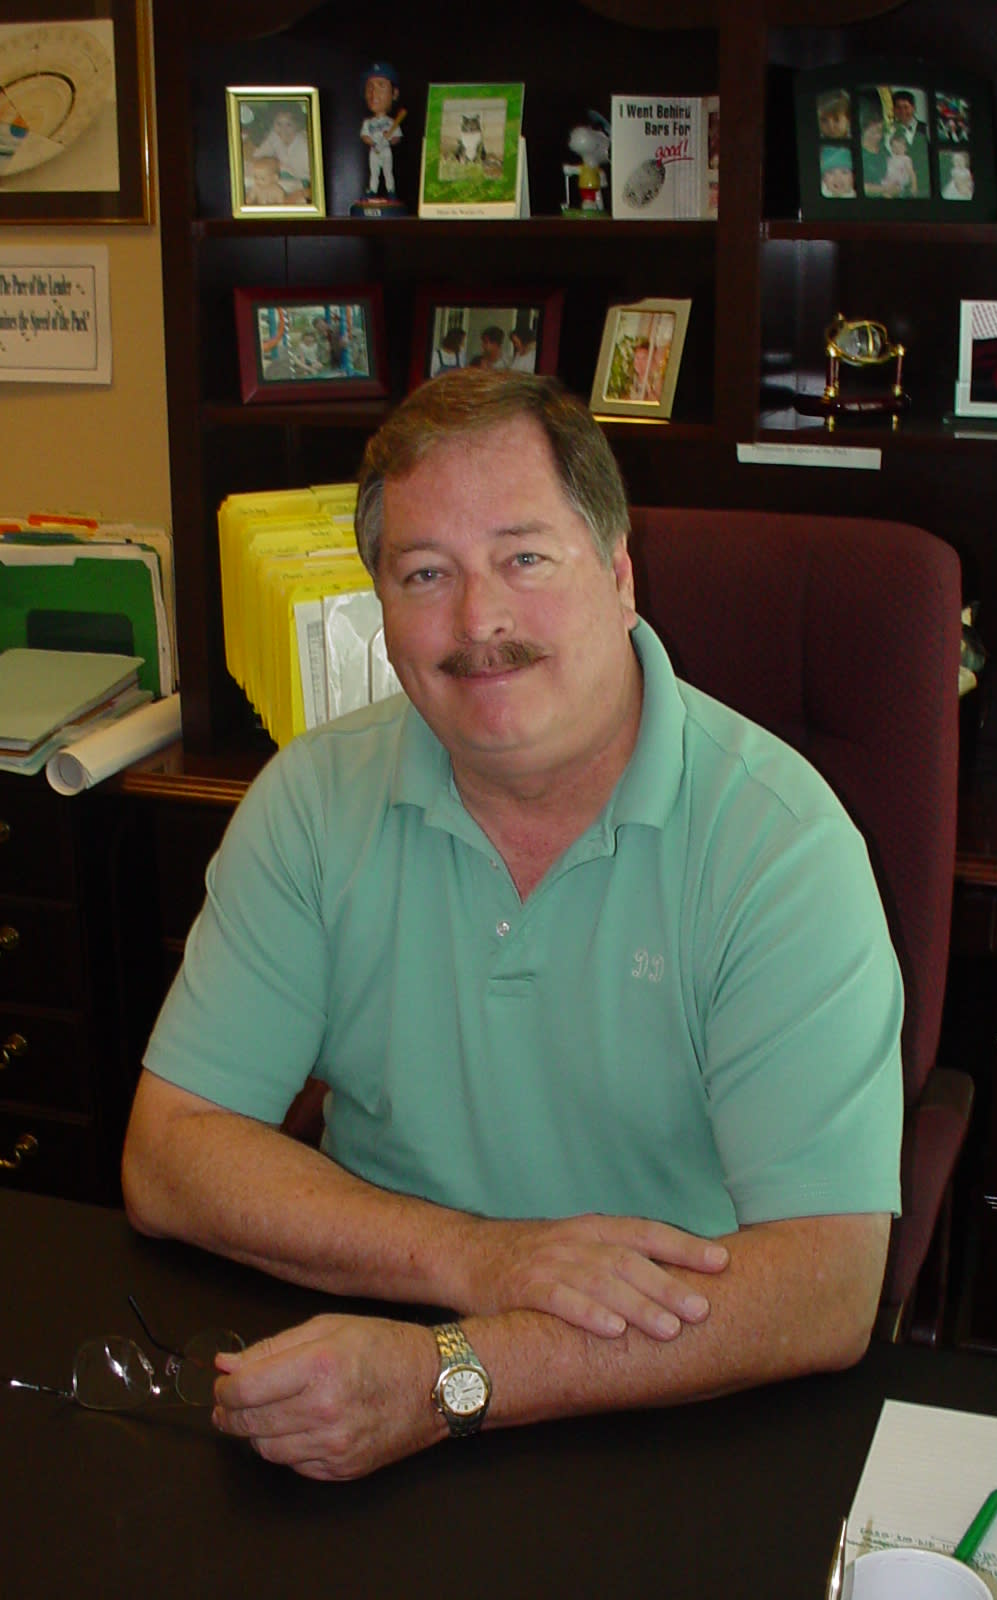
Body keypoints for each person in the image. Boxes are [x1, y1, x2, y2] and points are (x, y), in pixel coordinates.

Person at [122, 370, 903, 1483]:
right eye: (425, 573)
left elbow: (827, 1284)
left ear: (619, 576)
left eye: (524, 558)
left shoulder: (781, 844)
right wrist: (481, 1263)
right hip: (369, 1355)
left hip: (670, 1392)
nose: (477, 622)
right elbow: (168, 1155)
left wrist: (449, 1378)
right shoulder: (312, 801)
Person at [359, 62, 404, 200]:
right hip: (375, 151)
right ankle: (373, 190)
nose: (374, 93)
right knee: (374, 173)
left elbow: (397, 138)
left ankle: (391, 191)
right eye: (370, 87)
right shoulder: (368, 122)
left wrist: (389, 139)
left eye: (381, 86)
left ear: (394, 93)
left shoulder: (391, 123)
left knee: (388, 172)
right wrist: (373, 143)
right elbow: (364, 136)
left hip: (385, 151)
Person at [252, 106, 310, 198]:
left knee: (269, 188)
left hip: (302, 180)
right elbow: (258, 157)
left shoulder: (304, 147)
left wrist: (302, 192)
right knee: (257, 181)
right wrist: (271, 164)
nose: (283, 129)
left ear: (297, 126)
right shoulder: (274, 136)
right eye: (278, 124)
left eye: (289, 125)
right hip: (282, 174)